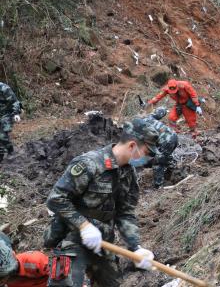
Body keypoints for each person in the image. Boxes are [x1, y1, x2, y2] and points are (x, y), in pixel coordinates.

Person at [44, 119, 158, 286]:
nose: (147, 158)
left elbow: (125, 213)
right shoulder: (90, 164)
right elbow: (56, 199)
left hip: (102, 244)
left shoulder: (128, 174)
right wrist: (84, 226)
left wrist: (136, 248)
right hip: (71, 239)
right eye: (146, 152)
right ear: (132, 146)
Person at [139, 108, 178, 188]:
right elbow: (160, 112)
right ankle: (172, 168)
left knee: (158, 162)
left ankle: (158, 185)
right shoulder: (149, 117)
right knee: (163, 155)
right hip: (174, 136)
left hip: (165, 140)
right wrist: (164, 110)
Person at [0, 82, 21, 162]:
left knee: (2, 135)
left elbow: (15, 102)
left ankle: (11, 151)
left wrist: (16, 113)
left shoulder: (3, 88)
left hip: (7, 114)